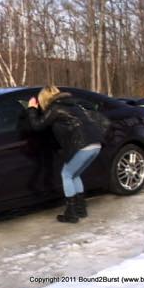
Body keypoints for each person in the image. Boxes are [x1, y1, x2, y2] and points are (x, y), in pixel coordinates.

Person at [27, 86, 104, 223]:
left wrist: (32, 108)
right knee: (75, 174)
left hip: (83, 146)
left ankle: (72, 213)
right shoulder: (71, 104)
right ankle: (81, 209)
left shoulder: (55, 108)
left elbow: (37, 125)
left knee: (66, 174)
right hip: (95, 144)